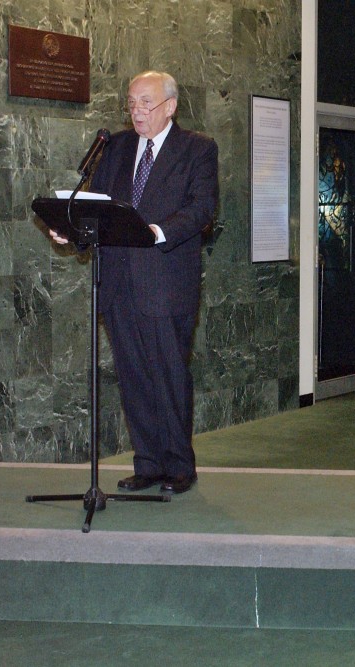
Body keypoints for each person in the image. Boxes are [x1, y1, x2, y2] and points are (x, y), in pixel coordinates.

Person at [49, 70, 219, 494]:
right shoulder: (117, 147)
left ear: (170, 106)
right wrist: (71, 231)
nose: (137, 112)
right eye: (131, 103)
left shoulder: (197, 149)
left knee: (168, 375)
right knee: (134, 377)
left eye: (146, 103)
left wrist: (157, 232)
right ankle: (147, 463)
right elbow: (98, 209)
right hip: (119, 284)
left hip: (166, 284)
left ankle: (179, 465)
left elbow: (201, 209)